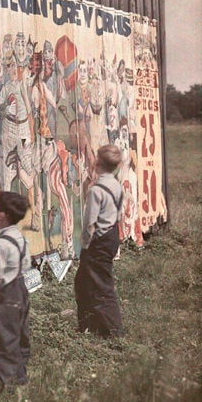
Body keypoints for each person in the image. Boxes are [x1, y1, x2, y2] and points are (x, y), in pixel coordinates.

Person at [74, 144, 124, 337]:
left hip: (98, 241)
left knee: (102, 285)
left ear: (97, 163)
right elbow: (118, 212)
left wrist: (85, 246)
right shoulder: (117, 186)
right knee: (83, 281)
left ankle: (114, 331)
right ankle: (88, 325)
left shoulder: (96, 191)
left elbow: (89, 224)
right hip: (111, 235)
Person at [0, 191, 32, 390]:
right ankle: (20, 376)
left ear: (3, 215)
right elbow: (27, 265)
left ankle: (12, 385)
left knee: (1, 339)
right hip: (21, 290)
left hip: (5, 295)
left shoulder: (1, 244)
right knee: (19, 335)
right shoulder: (20, 238)